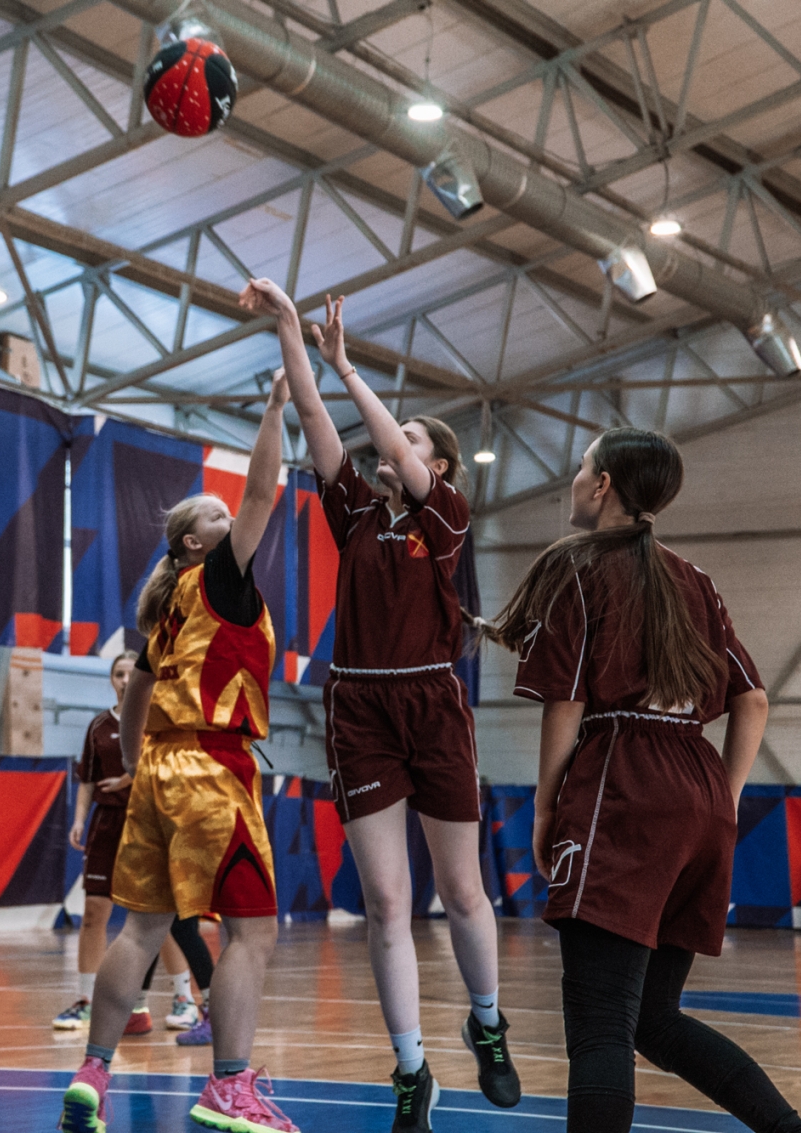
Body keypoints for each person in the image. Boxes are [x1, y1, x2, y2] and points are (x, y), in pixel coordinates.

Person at [239, 280, 518, 1129]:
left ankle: (488, 1021)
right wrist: (295, 329)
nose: (395, 447)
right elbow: (314, 416)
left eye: (415, 442)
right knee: (387, 903)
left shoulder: (448, 518)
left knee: (462, 890)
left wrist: (351, 368)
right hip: (359, 707)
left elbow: (388, 440)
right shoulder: (356, 512)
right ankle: (410, 1070)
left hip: (433, 703)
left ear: (439, 468)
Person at [486, 427, 801, 1133]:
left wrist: (545, 808)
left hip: (624, 784)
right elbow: (753, 700)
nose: (575, 479)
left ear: (603, 484)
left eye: (582, 467)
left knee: (601, 1021)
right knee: (653, 1018)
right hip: (699, 785)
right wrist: (723, 801)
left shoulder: (578, 570)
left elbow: (566, 704)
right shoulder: (696, 580)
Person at [59, 372, 296, 1133]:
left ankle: (92, 1072)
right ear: (196, 543)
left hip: (158, 771)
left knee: (141, 928)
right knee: (253, 931)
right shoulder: (217, 579)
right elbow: (261, 492)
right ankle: (228, 1085)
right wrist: (273, 410)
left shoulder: (167, 611)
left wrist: (134, 765)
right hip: (211, 766)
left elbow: (135, 694)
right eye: (216, 516)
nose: (233, 516)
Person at [54, 650, 207, 1034]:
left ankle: (184, 998)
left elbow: (163, 765)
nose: (125, 680)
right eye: (118, 674)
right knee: (94, 913)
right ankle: (86, 1001)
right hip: (107, 824)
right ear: (111, 680)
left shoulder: (158, 721)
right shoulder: (98, 726)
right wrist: (79, 819)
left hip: (149, 820)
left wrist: (129, 776)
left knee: (161, 916)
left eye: (130, 674)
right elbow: (87, 780)